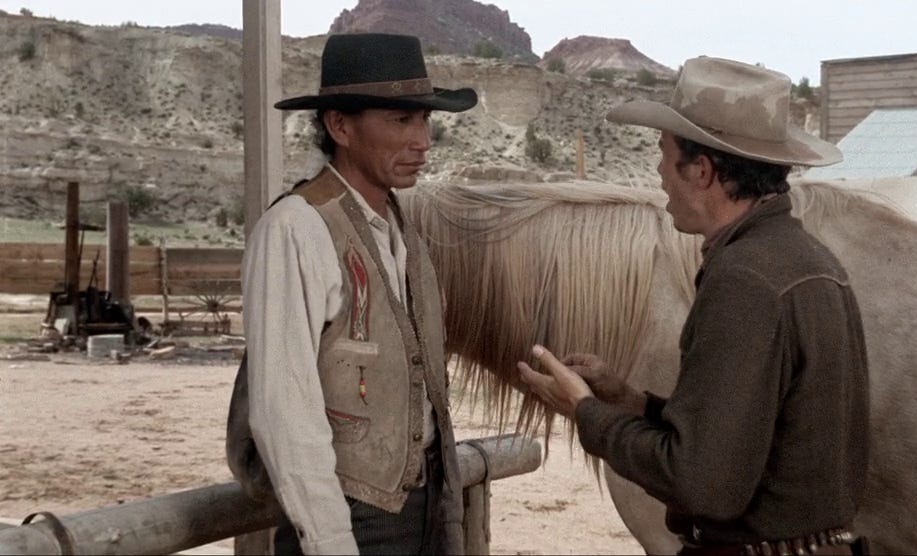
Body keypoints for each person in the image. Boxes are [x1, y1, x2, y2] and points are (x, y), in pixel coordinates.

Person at [518, 56, 870, 556]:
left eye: (664, 155)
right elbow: (755, 433)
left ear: (701, 171)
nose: (659, 173)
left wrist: (586, 411)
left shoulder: (745, 279)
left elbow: (701, 483)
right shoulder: (810, 259)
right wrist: (632, 402)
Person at [225, 33, 477, 555]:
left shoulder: (401, 231)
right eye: (401, 120)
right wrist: (331, 540)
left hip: (426, 509)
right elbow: (284, 410)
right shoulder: (296, 229)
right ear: (340, 126)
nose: (422, 141)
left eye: (424, 120)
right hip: (352, 518)